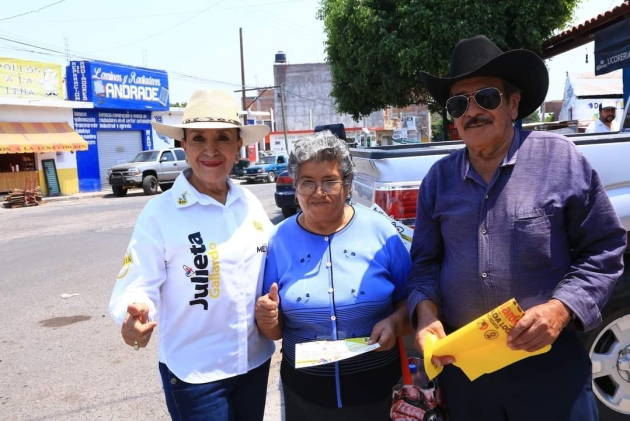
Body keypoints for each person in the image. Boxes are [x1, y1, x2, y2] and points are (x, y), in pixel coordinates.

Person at [409, 35, 626, 420]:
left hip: (549, 366)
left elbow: (604, 249)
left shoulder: (560, 160)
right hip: (466, 372)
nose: (472, 111)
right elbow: (424, 264)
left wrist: (561, 309)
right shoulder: (438, 180)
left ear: (512, 104)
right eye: (459, 103)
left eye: (487, 97)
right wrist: (426, 317)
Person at [109, 89, 274, 421]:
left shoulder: (250, 204)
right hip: (195, 375)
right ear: (184, 144)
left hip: (254, 363)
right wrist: (133, 316)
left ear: (238, 145)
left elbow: (275, 268)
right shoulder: (161, 213)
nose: (211, 150)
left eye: (223, 138)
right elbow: (137, 283)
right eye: (199, 138)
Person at [255, 131, 412, 421]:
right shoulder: (279, 240)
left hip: (379, 392)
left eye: (329, 181)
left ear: (348, 184)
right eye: (307, 182)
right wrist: (268, 318)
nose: (318, 192)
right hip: (305, 395)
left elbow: (409, 300)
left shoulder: (382, 232)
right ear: (296, 188)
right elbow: (274, 330)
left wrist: (394, 321)